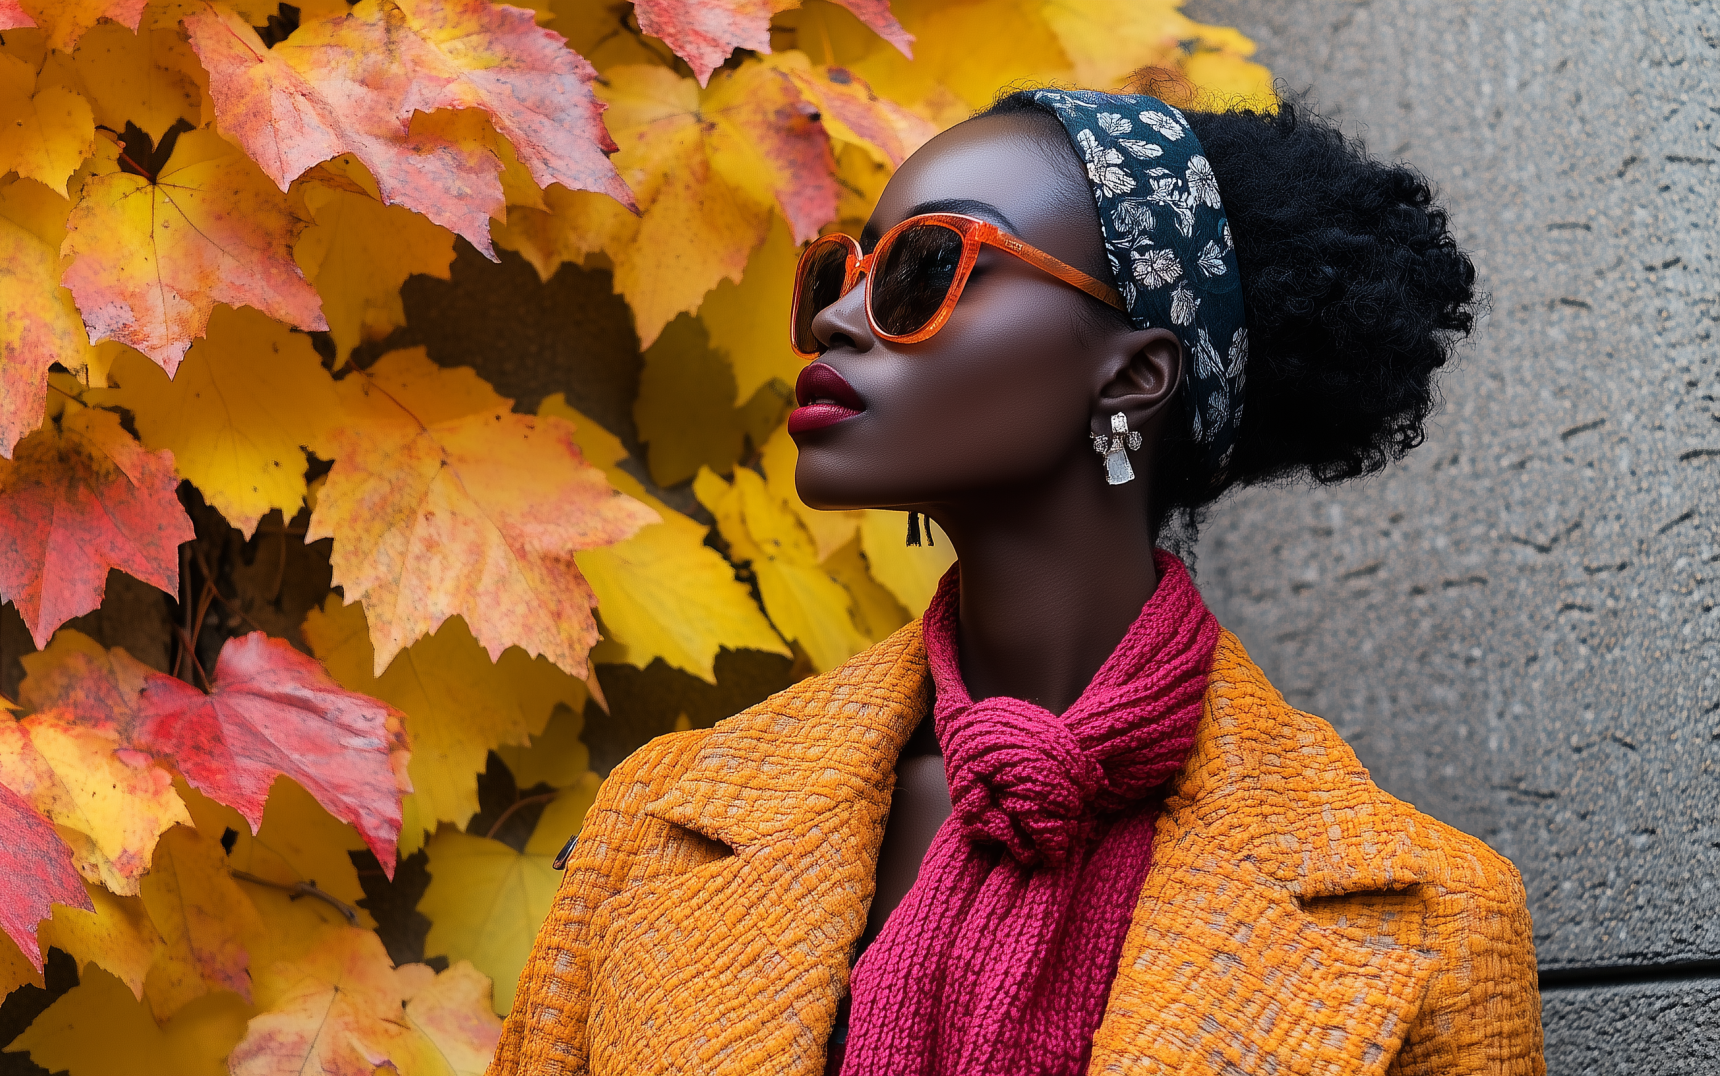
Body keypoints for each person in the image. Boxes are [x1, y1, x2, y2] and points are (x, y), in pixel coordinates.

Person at [493, 87, 1544, 1076]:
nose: (836, 320)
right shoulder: (660, 822)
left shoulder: (1432, 914)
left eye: (925, 269)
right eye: (839, 274)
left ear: (1133, 376)